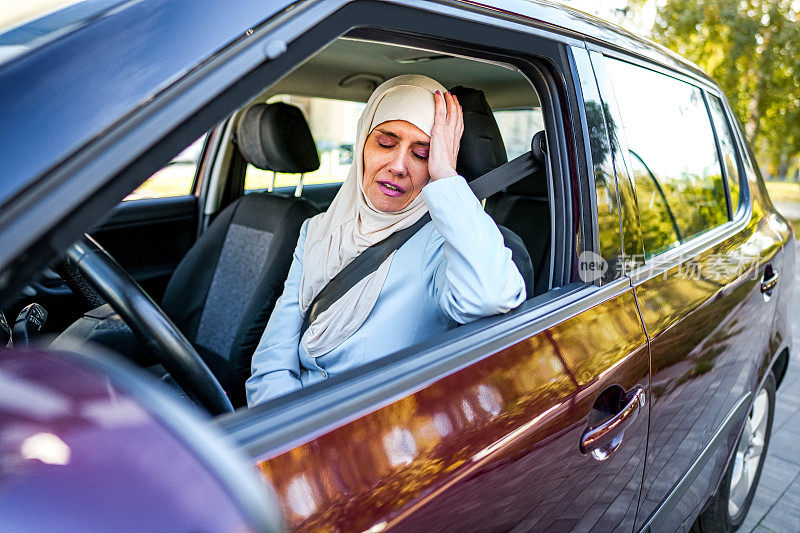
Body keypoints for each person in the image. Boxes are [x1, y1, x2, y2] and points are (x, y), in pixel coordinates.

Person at [246, 74, 526, 407]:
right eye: (386, 142)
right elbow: (273, 359)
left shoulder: (443, 247)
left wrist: (448, 178)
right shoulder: (317, 229)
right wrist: (286, 440)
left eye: (422, 154)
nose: (398, 166)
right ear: (362, 142)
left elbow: (491, 295)